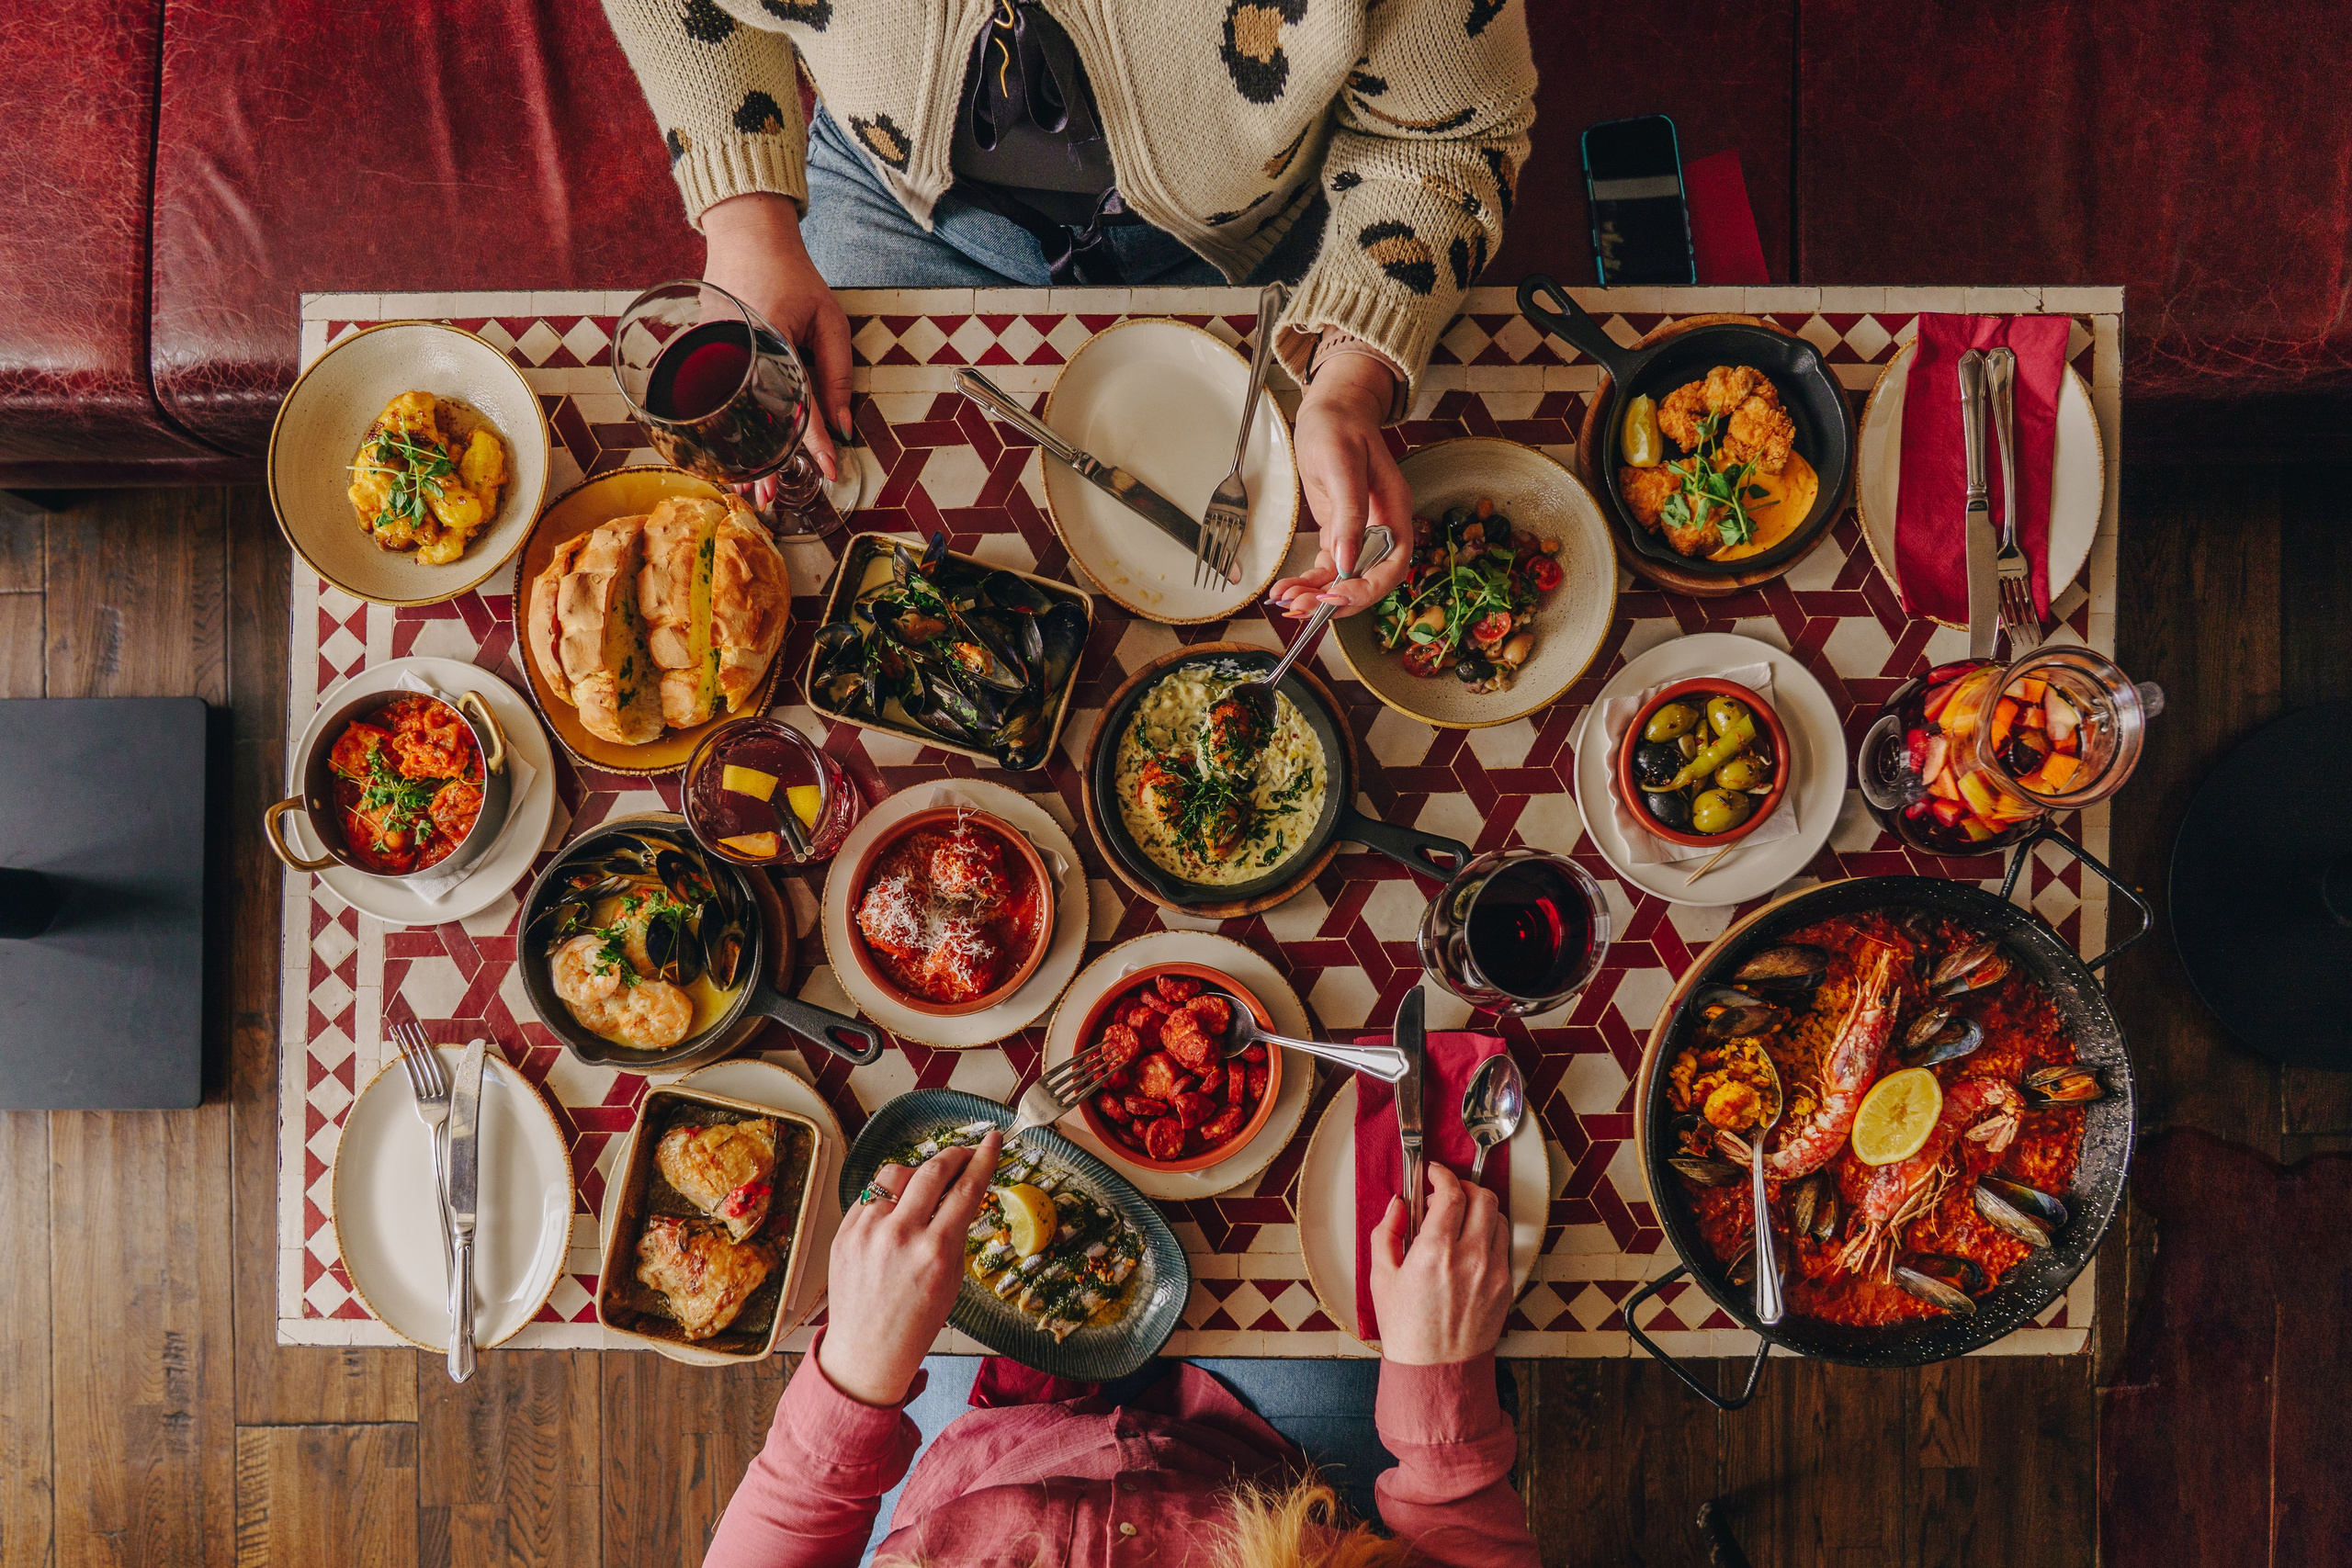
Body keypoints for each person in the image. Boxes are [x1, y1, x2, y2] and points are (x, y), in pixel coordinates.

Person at [602, 1, 1536, 618]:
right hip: (891, 195)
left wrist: (1354, 369)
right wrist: (749, 225)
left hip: (1268, 230)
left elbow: (1450, 138)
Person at [705, 1129, 1538, 1567]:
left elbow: (787, 1521)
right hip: (1270, 1474)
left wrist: (856, 1367)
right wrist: (1438, 1382)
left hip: (993, 1452)